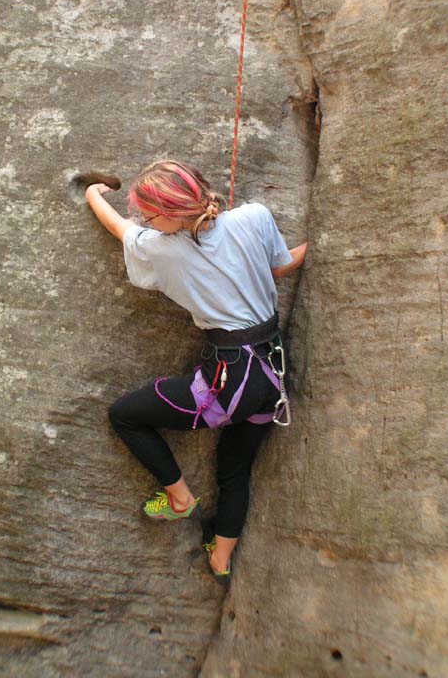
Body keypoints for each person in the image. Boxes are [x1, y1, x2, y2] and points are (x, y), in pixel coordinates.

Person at [85, 160, 307, 580]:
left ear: (167, 214)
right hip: (273, 375)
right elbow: (278, 266)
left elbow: (118, 229)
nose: (146, 223)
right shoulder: (254, 216)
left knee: (125, 415)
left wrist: (93, 194)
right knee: (234, 466)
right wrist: (321, 244)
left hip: (231, 381)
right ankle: (221, 560)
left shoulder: (161, 248)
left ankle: (180, 499)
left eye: (149, 216)